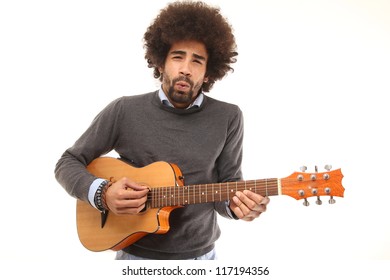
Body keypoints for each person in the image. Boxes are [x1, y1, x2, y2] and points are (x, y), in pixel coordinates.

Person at [55, 0, 270, 260]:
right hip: (135, 258)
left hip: (201, 258)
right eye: (177, 57)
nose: (185, 69)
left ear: (208, 74)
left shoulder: (228, 116)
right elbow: (68, 162)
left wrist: (239, 207)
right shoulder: (124, 110)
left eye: (197, 61)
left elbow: (227, 187)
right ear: (160, 62)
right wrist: (102, 193)